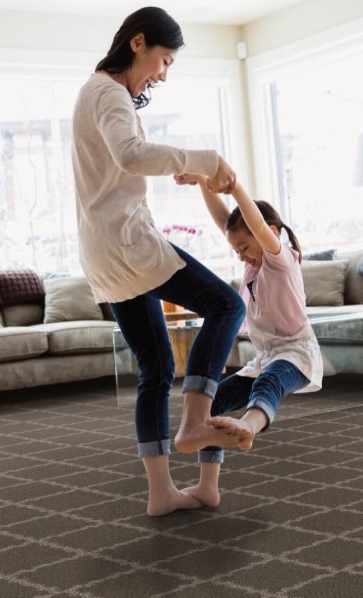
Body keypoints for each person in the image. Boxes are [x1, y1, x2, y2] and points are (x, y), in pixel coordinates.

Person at [71, 6, 246, 516]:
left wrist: (179, 170)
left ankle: (161, 493)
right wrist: (204, 160)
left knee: (155, 368)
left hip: (102, 251)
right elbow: (130, 154)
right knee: (227, 305)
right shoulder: (109, 92)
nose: (163, 74)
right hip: (127, 245)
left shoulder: (96, 92)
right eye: (163, 60)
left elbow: (124, 159)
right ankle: (196, 419)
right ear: (138, 41)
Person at [174, 173, 324, 508]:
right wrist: (202, 183)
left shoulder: (279, 259)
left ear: (268, 234)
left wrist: (237, 189)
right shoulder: (252, 267)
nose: (241, 256)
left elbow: (252, 223)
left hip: (297, 353)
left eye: (244, 247)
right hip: (265, 357)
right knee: (208, 406)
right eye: (236, 250)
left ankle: (248, 426)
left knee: (269, 382)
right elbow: (224, 221)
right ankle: (207, 487)